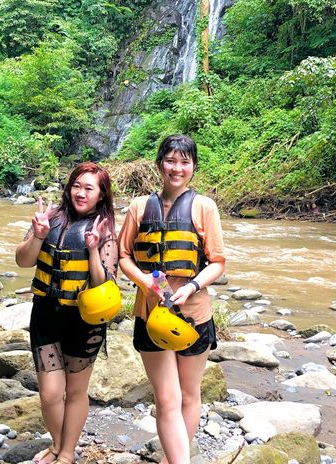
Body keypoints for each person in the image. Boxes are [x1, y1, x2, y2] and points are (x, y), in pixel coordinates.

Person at [118, 135, 226, 464]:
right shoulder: (139, 207)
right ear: (159, 163)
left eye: (184, 162)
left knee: (189, 395)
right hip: (151, 315)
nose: (176, 168)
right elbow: (124, 257)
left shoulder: (204, 207)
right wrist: (147, 283)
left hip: (193, 314)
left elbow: (218, 262)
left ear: (193, 167)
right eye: (170, 161)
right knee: (166, 397)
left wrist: (192, 286)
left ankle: (171, 459)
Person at [15, 162, 118, 464]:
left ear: (101, 195)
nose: (81, 193)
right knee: (49, 393)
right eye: (77, 185)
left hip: (84, 321)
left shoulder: (104, 229)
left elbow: (104, 284)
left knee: (75, 391)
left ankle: (67, 453)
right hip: (46, 313)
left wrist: (94, 251)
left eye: (89, 188)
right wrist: (37, 235)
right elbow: (23, 261)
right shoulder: (49, 218)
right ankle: (57, 445)